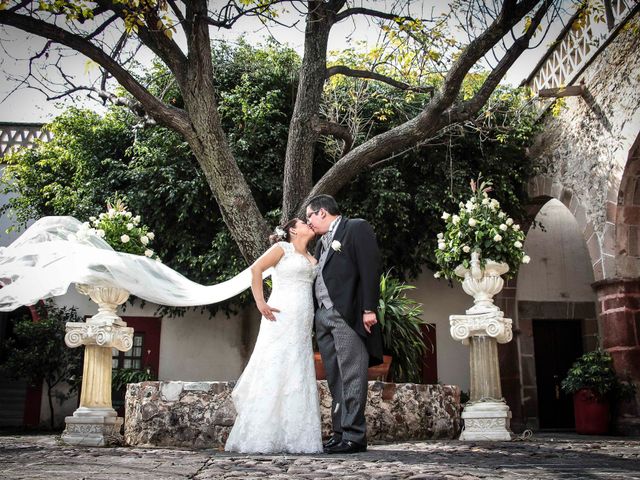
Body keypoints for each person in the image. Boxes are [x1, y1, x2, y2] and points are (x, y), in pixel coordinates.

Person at [224, 218, 323, 454]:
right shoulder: (282, 249)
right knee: (274, 366)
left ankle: (297, 437)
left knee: (297, 370)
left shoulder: (313, 256)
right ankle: (262, 436)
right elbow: (256, 269)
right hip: (280, 316)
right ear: (292, 230)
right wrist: (260, 302)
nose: (310, 224)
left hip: (302, 319)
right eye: (304, 223)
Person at [305, 194, 383, 454]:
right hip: (323, 317)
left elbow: (370, 269)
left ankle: (354, 436)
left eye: (310, 217)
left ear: (323, 212)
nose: (309, 223)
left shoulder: (356, 228)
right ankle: (340, 433)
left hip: (347, 314)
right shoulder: (321, 244)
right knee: (334, 378)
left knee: (352, 375)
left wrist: (369, 309)